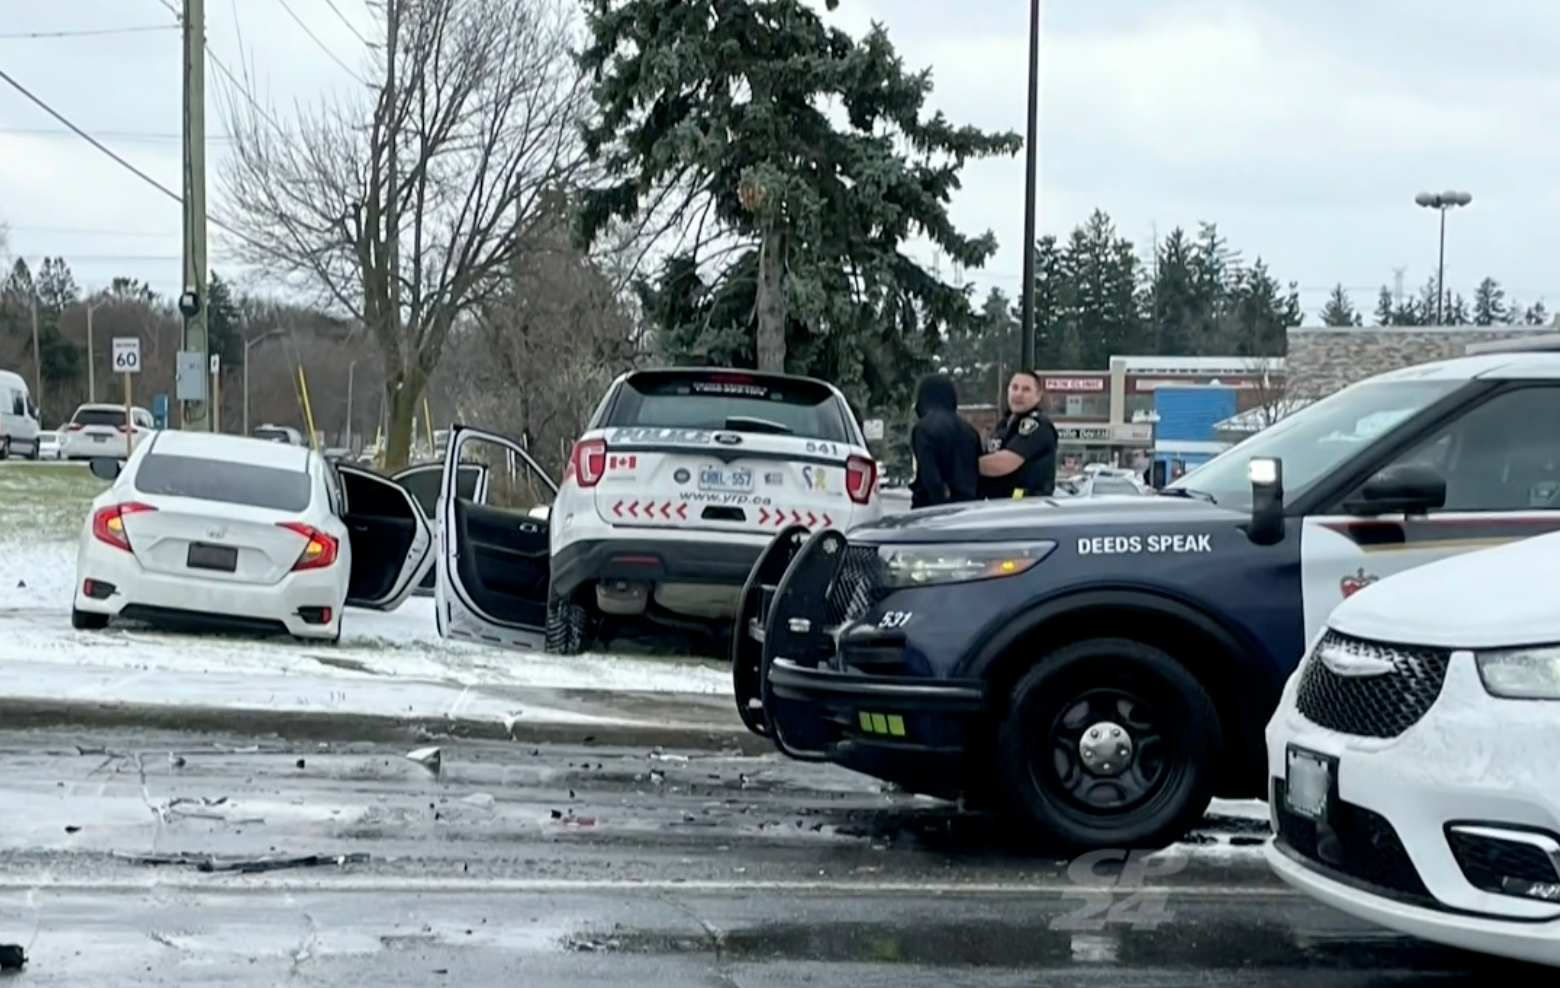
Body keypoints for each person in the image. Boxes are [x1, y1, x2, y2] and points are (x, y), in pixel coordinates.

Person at [980, 370, 1059, 498]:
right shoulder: (1005, 423)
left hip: (1025, 506)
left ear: (1038, 396)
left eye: (1026, 390)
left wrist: (963, 466)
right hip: (1000, 504)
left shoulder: (1038, 425)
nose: (1018, 394)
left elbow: (1004, 463)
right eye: (1015, 388)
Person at [909, 373, 981, 508]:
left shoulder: (923, 429)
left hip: (932, 508)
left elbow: (930, 475)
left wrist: (940, 504)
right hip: (967, 507)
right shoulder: (970, 431)